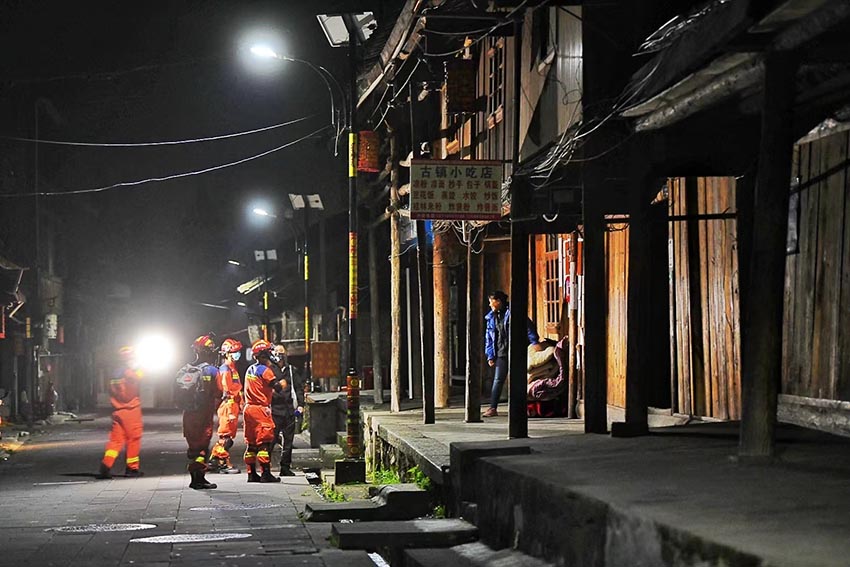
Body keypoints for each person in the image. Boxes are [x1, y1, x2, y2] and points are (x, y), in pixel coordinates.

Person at [483, 290, 541, 418]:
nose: (490, 305)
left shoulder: (513, 312)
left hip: (516, 351)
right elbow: (489, 338)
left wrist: (534, 341)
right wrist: (490, 355)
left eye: (491, 302)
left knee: (519, 380)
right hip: (501, 352)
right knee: (498, 380)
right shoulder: (491, 317)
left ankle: (521, 407)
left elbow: (527, 326)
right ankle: (493, 407)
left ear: (498, 301)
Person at [97, 346, 144, 479]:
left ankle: (106, 465)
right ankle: (132, 469)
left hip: (117, 410)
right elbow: (139, 378)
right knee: (133, 439)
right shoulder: (130, 373)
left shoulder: (114, 373)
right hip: (130, 410)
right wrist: (137, 367)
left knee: (115, 441)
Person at [182, 334, 221, 490]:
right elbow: (219, 392)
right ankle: (200, 478)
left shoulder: (186, 369)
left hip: (188, 415)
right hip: (204, 415)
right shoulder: (211, 370)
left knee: (193, 448)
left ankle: (195, 478)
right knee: (202, 448)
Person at [243, 339, 285, 483]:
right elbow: (277, 387)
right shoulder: (265, 370)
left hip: (248, 409)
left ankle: (251, 473)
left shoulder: (250, 370)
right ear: (263, 354)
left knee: (251, 443)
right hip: (261, 410)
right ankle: (266, 474)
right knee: (264, 443)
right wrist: (282, 383)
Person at [209, 338, 243, 474]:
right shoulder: (225, 369)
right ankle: (223, 463)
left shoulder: (232, 369)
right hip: (228, 405)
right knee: (226, 437)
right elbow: (225, 389)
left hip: (232, 404)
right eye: (234, 352)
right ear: (227, 353)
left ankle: (214, 460)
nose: (237, 354)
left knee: (228, 436)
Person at [269, 342, 303, 477]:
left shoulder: (291, 371)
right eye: (277, 353)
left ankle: (285, 467)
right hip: (274, 410)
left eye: (282, 353)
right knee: (271, 440)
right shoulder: (269, 370)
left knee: (288, 441)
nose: (279, 356)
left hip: (289, 410)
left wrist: (301, 405)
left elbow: (299, 389)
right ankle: (266, 467)